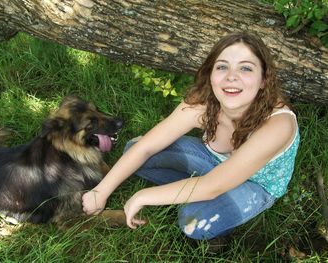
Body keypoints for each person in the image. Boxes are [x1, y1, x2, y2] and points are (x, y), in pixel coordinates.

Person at [82, 32, 300, 240]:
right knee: (134, 149)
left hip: (254, 185)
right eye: (222, 66)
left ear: (263, 80)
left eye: (246, 68)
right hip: (213, 165)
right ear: (211, 74)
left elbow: (214, 185)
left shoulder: (278, 123)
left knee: (192, 221)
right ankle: (194, 190)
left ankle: (209, 206)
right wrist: (100, 192)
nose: (231, 77)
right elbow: (148, 145)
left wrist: (143, 196)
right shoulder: (204, 101)